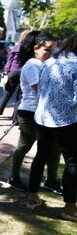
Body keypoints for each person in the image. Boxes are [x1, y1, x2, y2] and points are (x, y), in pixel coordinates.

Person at [7, 31, 61, 203]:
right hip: (30, 113)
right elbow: (42, 91)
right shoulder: (33, 65)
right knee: (26, 146)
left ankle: (51, 180)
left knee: (51, 148)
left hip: (41, 113)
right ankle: (15, 178)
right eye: (47, 50)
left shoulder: (44, 64)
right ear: (36, 48)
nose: (51, 54)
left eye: (53, 50)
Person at [30, 33, 77, 221]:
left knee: (40, 156)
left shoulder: (50, 62)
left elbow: (41, 89)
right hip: (67, 120)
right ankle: (70, 206)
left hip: (43, 117)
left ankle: (31, 196)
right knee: (73, 162)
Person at [0, 29, 32, 125]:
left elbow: (10, 60)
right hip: (24, 73)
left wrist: (6, 71)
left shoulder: (17, 46)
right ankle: (15, 119)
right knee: (20, 96)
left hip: (13, 72)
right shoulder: (30, 49)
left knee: (6, 95)